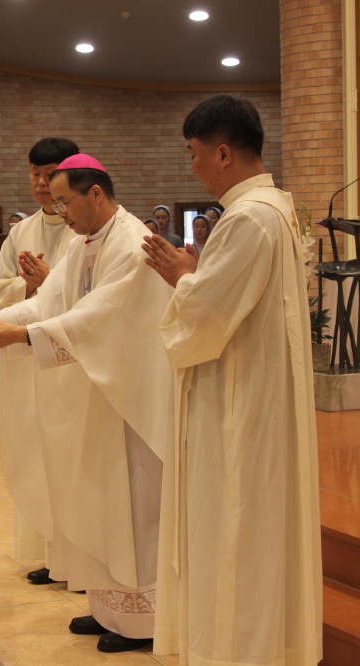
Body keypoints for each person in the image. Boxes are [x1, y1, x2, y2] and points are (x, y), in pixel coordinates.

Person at [142, 94, 322, 666]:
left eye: (194, 153)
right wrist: (197, 276)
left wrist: (184, 278)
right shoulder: (277, 208)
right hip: (254, 389)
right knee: (250, 529)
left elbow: (207, 317)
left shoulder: (247, 218)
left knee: (235, 528)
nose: (192, 165)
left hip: (237, 403)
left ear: (223, 153)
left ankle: (233, 653)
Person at [0, 154, 174, 653]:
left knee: (132, 506)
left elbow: (97, 317)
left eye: (65, 201)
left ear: (95, 194)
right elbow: (51, 300)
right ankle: (108, 609)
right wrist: (4, 319)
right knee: (99, 501)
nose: (59, 212)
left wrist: (22, 335)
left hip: (128, 400)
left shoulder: (131, 242)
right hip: (97, 395)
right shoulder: (86, 242)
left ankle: (142, 620)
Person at [0, 136, 79, 585]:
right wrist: (30, 284)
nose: (41, 184)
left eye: (50, 175)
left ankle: (74, 555)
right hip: (26, 354)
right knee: (33, 451)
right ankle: (49, 551)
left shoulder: (84, 226)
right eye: (35, 175)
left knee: (67, 453)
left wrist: (50, 281)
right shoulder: (21, 232)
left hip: (68, 355)